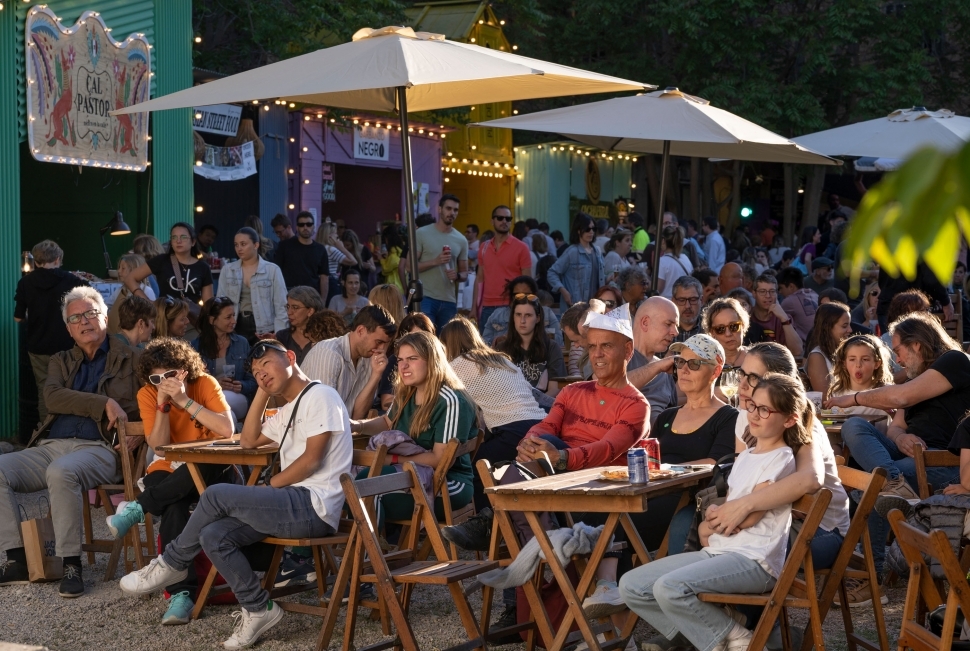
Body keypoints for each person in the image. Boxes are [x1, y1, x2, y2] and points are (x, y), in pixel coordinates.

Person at [119, 340, 352, 649]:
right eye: (255, 372)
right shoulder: (290, 407)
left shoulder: (321, 395)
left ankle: (171, 562)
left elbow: (312, 461)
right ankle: (258, 608)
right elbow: (249, 440)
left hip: (313, 506)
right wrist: (262, 392)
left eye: (266, 364)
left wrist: (270, 486)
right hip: (291, 504)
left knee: (216, 495)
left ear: (290, 357)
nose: (262, 373)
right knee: (213, 535)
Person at [619, 373, 809, 651]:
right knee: (631, 585)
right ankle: (726, 631)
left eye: (765, 410)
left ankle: (731, 641)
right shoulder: (746, 456)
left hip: (755, 560)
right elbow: (730, 506)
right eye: (752, 406)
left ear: (789, 420)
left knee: (670, 588)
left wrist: (712, 521)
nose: (754, 414)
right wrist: (713, 518)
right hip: (721, 551)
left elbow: (748, 517)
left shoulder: (781, 458)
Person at [0, 287, 141, 596]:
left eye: (90, 313)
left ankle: (71, 564)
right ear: (68, 329)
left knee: (61, 471)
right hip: (52, 445)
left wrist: (138, 432)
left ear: (106, 318)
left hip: (100, 449)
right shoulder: (60, 360)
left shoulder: (133, 359)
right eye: (75, 318)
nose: (84, 321)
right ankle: (16, 559)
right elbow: (52, 397)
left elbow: (155, 402)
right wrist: (103, 403)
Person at [827, 313, 969, 587]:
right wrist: (902, 436)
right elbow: (896, 427)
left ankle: (872, 574)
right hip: (906, 459)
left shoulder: (954, 361)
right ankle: (893, 485)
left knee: (872, 488)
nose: (898, 359)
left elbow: (901, 397)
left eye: (899, 350)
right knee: (854, 426)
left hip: (940, 462)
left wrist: (854, 398)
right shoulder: (913, 379)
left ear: (917, 344)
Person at [106, 338, 234, 625]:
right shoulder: (148, 394)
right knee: (174, 503)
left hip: (212, 463)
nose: (163, 383)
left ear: (184, 370)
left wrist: (185, 401)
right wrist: (163, 405)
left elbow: (226, 430)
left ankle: (139, 509)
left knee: (198, 468)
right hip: (171, 466)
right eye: (156, 379)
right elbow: (160, 448)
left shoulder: (205, 383)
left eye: (170, 375)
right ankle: (181, 595)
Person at [350, 331, 477, 527]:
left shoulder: (450, 401)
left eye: (412, 359)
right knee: (350, 486)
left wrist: (392, 459)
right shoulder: (407, 392)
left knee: (367, 488)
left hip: (447, 483)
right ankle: (374, 544)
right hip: (410, 474)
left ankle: (370, 546)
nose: (403, 366)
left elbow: (439, 460)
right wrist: (356, 426)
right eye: (400, 360)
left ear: (432, 361)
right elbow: (388, 422)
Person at [640, 334, 739, 552]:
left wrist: (667, 470)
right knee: (602, 518)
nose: (684, 370)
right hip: (652, 494)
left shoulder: (728, 417)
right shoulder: (666, 416)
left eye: (694, 364)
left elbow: (716, 463)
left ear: (715, 371)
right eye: (680, 362)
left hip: (688, 500)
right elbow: (650, 460)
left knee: (616, 524)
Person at [440, 317, 549, 514]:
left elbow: (447, 402)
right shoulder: (501, 359)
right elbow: (530, 392)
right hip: (540, 426)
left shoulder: (456, 366)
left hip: (512, 430)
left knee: (473, 469)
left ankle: (486, 523)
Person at [14, 239, 89, 421]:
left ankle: (46, 430)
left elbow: (18, 318)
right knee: (68, 387)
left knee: (44, 388)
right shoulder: (71, 280)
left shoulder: (25, 282)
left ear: (36, 261)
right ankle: (66, 429)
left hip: (37, 346)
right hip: (66, 345)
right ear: (57, 259)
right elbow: (90, 298)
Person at [302, 305, 396, 419]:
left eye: (386, 344)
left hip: (344, 428)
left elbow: (358, 416)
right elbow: (322, 415)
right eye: (379, 342)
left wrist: (376, 375)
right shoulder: (328, 353)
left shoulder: (370, 358)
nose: (382, 349)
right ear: (360, 331)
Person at [125, 222, 214, 316]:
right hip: (165, 317)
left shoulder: (203, 267)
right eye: (174, 237)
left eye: (183, 237)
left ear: (193, 242)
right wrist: (148, 302)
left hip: (190, 318)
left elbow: (208, 303)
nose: (178, 241)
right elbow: (130, 278)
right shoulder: (161, 260)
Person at [218, 227, 288, 345]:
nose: (239, 248)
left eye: (243, 244)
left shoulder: (272, 270)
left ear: (256, 245)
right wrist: (222, 328)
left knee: (262, 356)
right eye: (236, 245)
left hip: (265, 327)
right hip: (236, 324)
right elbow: (221, 303)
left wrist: (279, 334)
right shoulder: (228, 270)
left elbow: (281, 305)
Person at [408, 194, 469, 331]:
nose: (452, 213)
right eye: (448, 208)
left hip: (449, 299)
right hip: (425, 297)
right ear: (440, 209)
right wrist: (435, 261)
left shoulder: (461, 240)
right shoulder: (422, 233)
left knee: (447, 340)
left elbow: (465, 272)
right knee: (425, 337)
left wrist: (457, 276)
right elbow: (409, 266)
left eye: (455, 210)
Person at [192, 297, 258, 422]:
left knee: (225, 399)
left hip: (238, 398)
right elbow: (193, 383)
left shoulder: (241, 343)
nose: (234, 321)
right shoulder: (196, 346)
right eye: (228, 317)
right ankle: (234, 428)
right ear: (212, 320)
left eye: (233, 315)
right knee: (225, 412)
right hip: (210, 399)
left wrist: (242, 386)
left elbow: (253, 379)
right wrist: (216, 384)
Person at [471, 205, 532, 331]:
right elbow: (480, 279)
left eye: (508, 219)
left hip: (511, 306)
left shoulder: (522, 248)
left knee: (509, 343)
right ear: (492, 221)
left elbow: (527, 281)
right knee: (485, 343)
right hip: (487, 306)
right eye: (500, 218)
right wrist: (474, 308)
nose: (504, 221)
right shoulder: (484, 247)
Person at [826, 334, 894, 446]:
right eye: (852, 359)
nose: (858, 365)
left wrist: (892, 412)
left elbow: (899, 422)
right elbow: (834, 429)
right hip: (846, 450)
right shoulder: (837, 393)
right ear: (844, 364)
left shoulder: (885, 390)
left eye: (865, 359)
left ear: (877, 364)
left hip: (879, 448)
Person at [496, 292, 567, 397]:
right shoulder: (501, 349)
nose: (522, 321)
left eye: (528, 315)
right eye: (518, 315)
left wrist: (533, 405)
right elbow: (498, 388)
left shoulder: (551, 348)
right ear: (513, 317)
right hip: (511, 404)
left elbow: (555, 390)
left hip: (542, 405)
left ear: (538, 318)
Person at [626, 297, 680, 426]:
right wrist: (657, 367)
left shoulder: (665, 370)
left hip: (661, 435)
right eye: (668, 324)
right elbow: (607, 391)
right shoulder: (615, 355)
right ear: (645, 323)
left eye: (676, 326)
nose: (675, 332)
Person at [482, 276, 564, 348]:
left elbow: (559, 341)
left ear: (534, 295)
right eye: (517, 295)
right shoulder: (497, 315)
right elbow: (482, 344)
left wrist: (536, 336)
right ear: (512, 296)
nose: (522, 298)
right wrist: (497, 341)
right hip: (505, 358)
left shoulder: (547, 313)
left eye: (526, 294)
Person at [377, 312, 436, 411]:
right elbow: (386, 402)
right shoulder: (394, 361)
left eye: (423, 338)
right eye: (413, 338)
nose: (417, 343)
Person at [547, 212, 605, 311]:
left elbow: (597, 278)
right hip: (575, 307)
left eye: (593, 229)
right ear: (578, 230)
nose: (591, 232)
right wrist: (563, 291)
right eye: (587, 229)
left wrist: (609, 278)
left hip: (595, 307)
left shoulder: (597, 252)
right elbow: (552, 273)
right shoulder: (572, 252)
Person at [274, 212, 330, 304]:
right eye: (301, 224)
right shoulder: (284, 246)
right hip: (289, 293)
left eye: (309, 224)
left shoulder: (320, 249)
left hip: (311, 295)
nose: (305, 227)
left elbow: (324, 277)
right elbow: (276, 271)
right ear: (297, 227)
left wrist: (322, 302)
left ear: (313, 227)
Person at [750, 273, 803, 358]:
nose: (768, 296)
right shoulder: (747, 316)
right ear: (754, 293)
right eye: (762, 292)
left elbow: (797, 351)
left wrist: (784, 319)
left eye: (772, 291)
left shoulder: (784, 318)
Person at [805, 302, 852, 394]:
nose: (850, 330)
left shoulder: (846, 351)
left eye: (849, 325)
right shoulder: (817, 356)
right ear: (828, 328)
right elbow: (825, 397)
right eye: (844, 326)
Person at [108, 253, 156, 334]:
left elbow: (153, 314)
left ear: (134, 270)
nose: (119, 271)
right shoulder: (120, 290)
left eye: (123, 268)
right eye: (119, 268)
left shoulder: (146, 291)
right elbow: (109, 306)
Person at [275, 286, 325, 365]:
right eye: (288, 307)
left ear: (310, 311)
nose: (289, 312)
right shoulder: (282, 337)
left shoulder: (325, 338)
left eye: (295, 307)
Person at [703, 297, 751, 371]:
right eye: (720, 329)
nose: (728, 334)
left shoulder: (758, 359)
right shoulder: (705, 364)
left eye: (734, 326)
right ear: (712, 332)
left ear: (743, 325)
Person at [777, 267, 818, 342]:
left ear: (791, 287)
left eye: (780, 288)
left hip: (806, 345)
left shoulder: (789, 301)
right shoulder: (813, 293)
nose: (779, 292)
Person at [656, 226, 694, 298]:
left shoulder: (662, 261)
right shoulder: (685, 258)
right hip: (683, 300)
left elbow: (658, 289)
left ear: (663, 241)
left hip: (666, 302)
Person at [671, 275, 704, 343]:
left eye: (693, 300)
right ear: (673, 301)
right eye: (682, 300)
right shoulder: (664, 330)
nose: (687, 306)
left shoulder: (711, 329)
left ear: (701, 300)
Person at [378, 225, 406, 294]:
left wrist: (381, 259)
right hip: (400, 286)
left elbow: (385, 270)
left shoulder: (393, 256)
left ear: (387, 239)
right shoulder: (400, 250)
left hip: (394, 287)